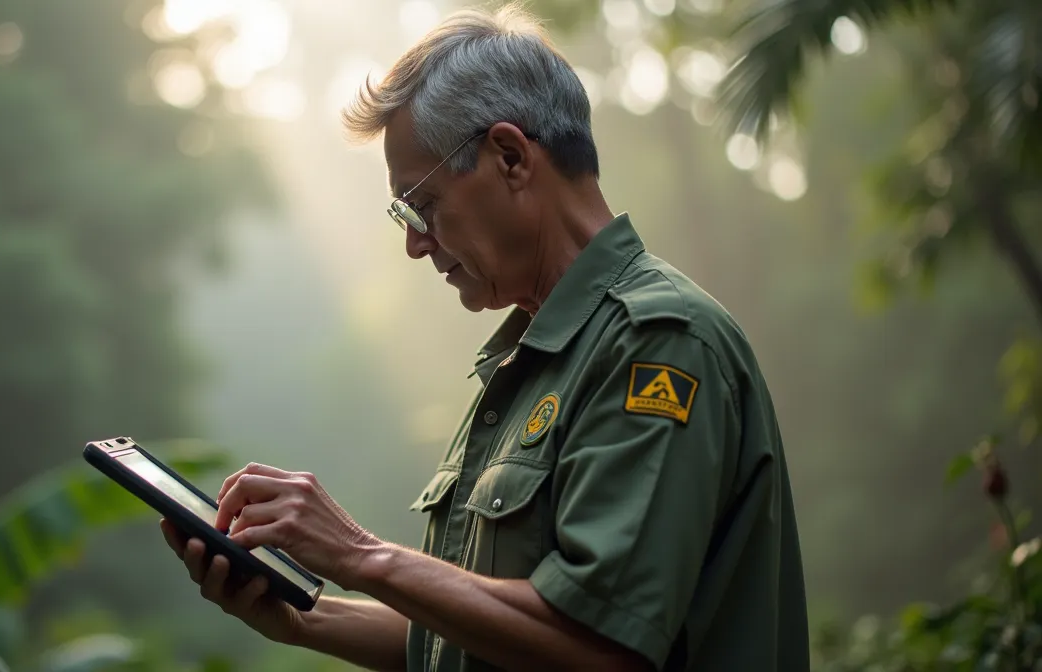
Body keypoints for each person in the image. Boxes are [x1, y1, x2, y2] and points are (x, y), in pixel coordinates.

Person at [157, 5, 811, 671]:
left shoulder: (659, 343)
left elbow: (600, 647)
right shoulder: (531, 362)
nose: (415, 243)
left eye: (423, 204)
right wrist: (306, 615)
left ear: (510, 157)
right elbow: (476, 638)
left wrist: (360, 555)